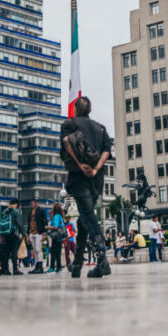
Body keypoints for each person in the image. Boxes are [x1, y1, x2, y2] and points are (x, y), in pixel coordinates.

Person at [60, 96, 112, 278]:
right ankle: (77, 264)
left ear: (75, 109)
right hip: (96, 179)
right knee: (84, 218)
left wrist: (80, 165)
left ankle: (102, 261)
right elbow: (107, 149)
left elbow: (66, 147)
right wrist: (96, 168)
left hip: (78, 177)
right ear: (90, 110)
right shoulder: (100, 128)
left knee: (88, 217)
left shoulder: (69, 124)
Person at [0, 199, 24, 276]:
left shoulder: (4, 211)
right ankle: (15, 269)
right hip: (13, 234)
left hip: (5, 234)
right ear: (16, 204)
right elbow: (19, 224)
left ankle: (5, 269)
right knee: (14, 252)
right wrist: (23, 234)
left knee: (6, 252)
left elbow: (0, 222)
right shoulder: (16, 211)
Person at [26, 198, 47, 274]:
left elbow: (45, 222)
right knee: (34, 250)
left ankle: (40, 266)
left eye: (36, 202)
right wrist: (28, 235)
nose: (34, 203)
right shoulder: (30, 211)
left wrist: (44, 233)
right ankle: (36, 266)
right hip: (31, 232)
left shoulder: (41, 211)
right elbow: (28, 223)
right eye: (33, 202)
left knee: (39, 249)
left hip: (38, 232)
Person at [47, 202, 67, 273]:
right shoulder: (60, 216)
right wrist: (50, 215)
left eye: (52, 209)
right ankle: (58, 267)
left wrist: (47, 227)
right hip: (60, 237)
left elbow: (55, 226)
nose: (51, 210)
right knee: (58, 252)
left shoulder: (56, 216)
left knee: (53, 252)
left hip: (55, 237)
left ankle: (52, 267)